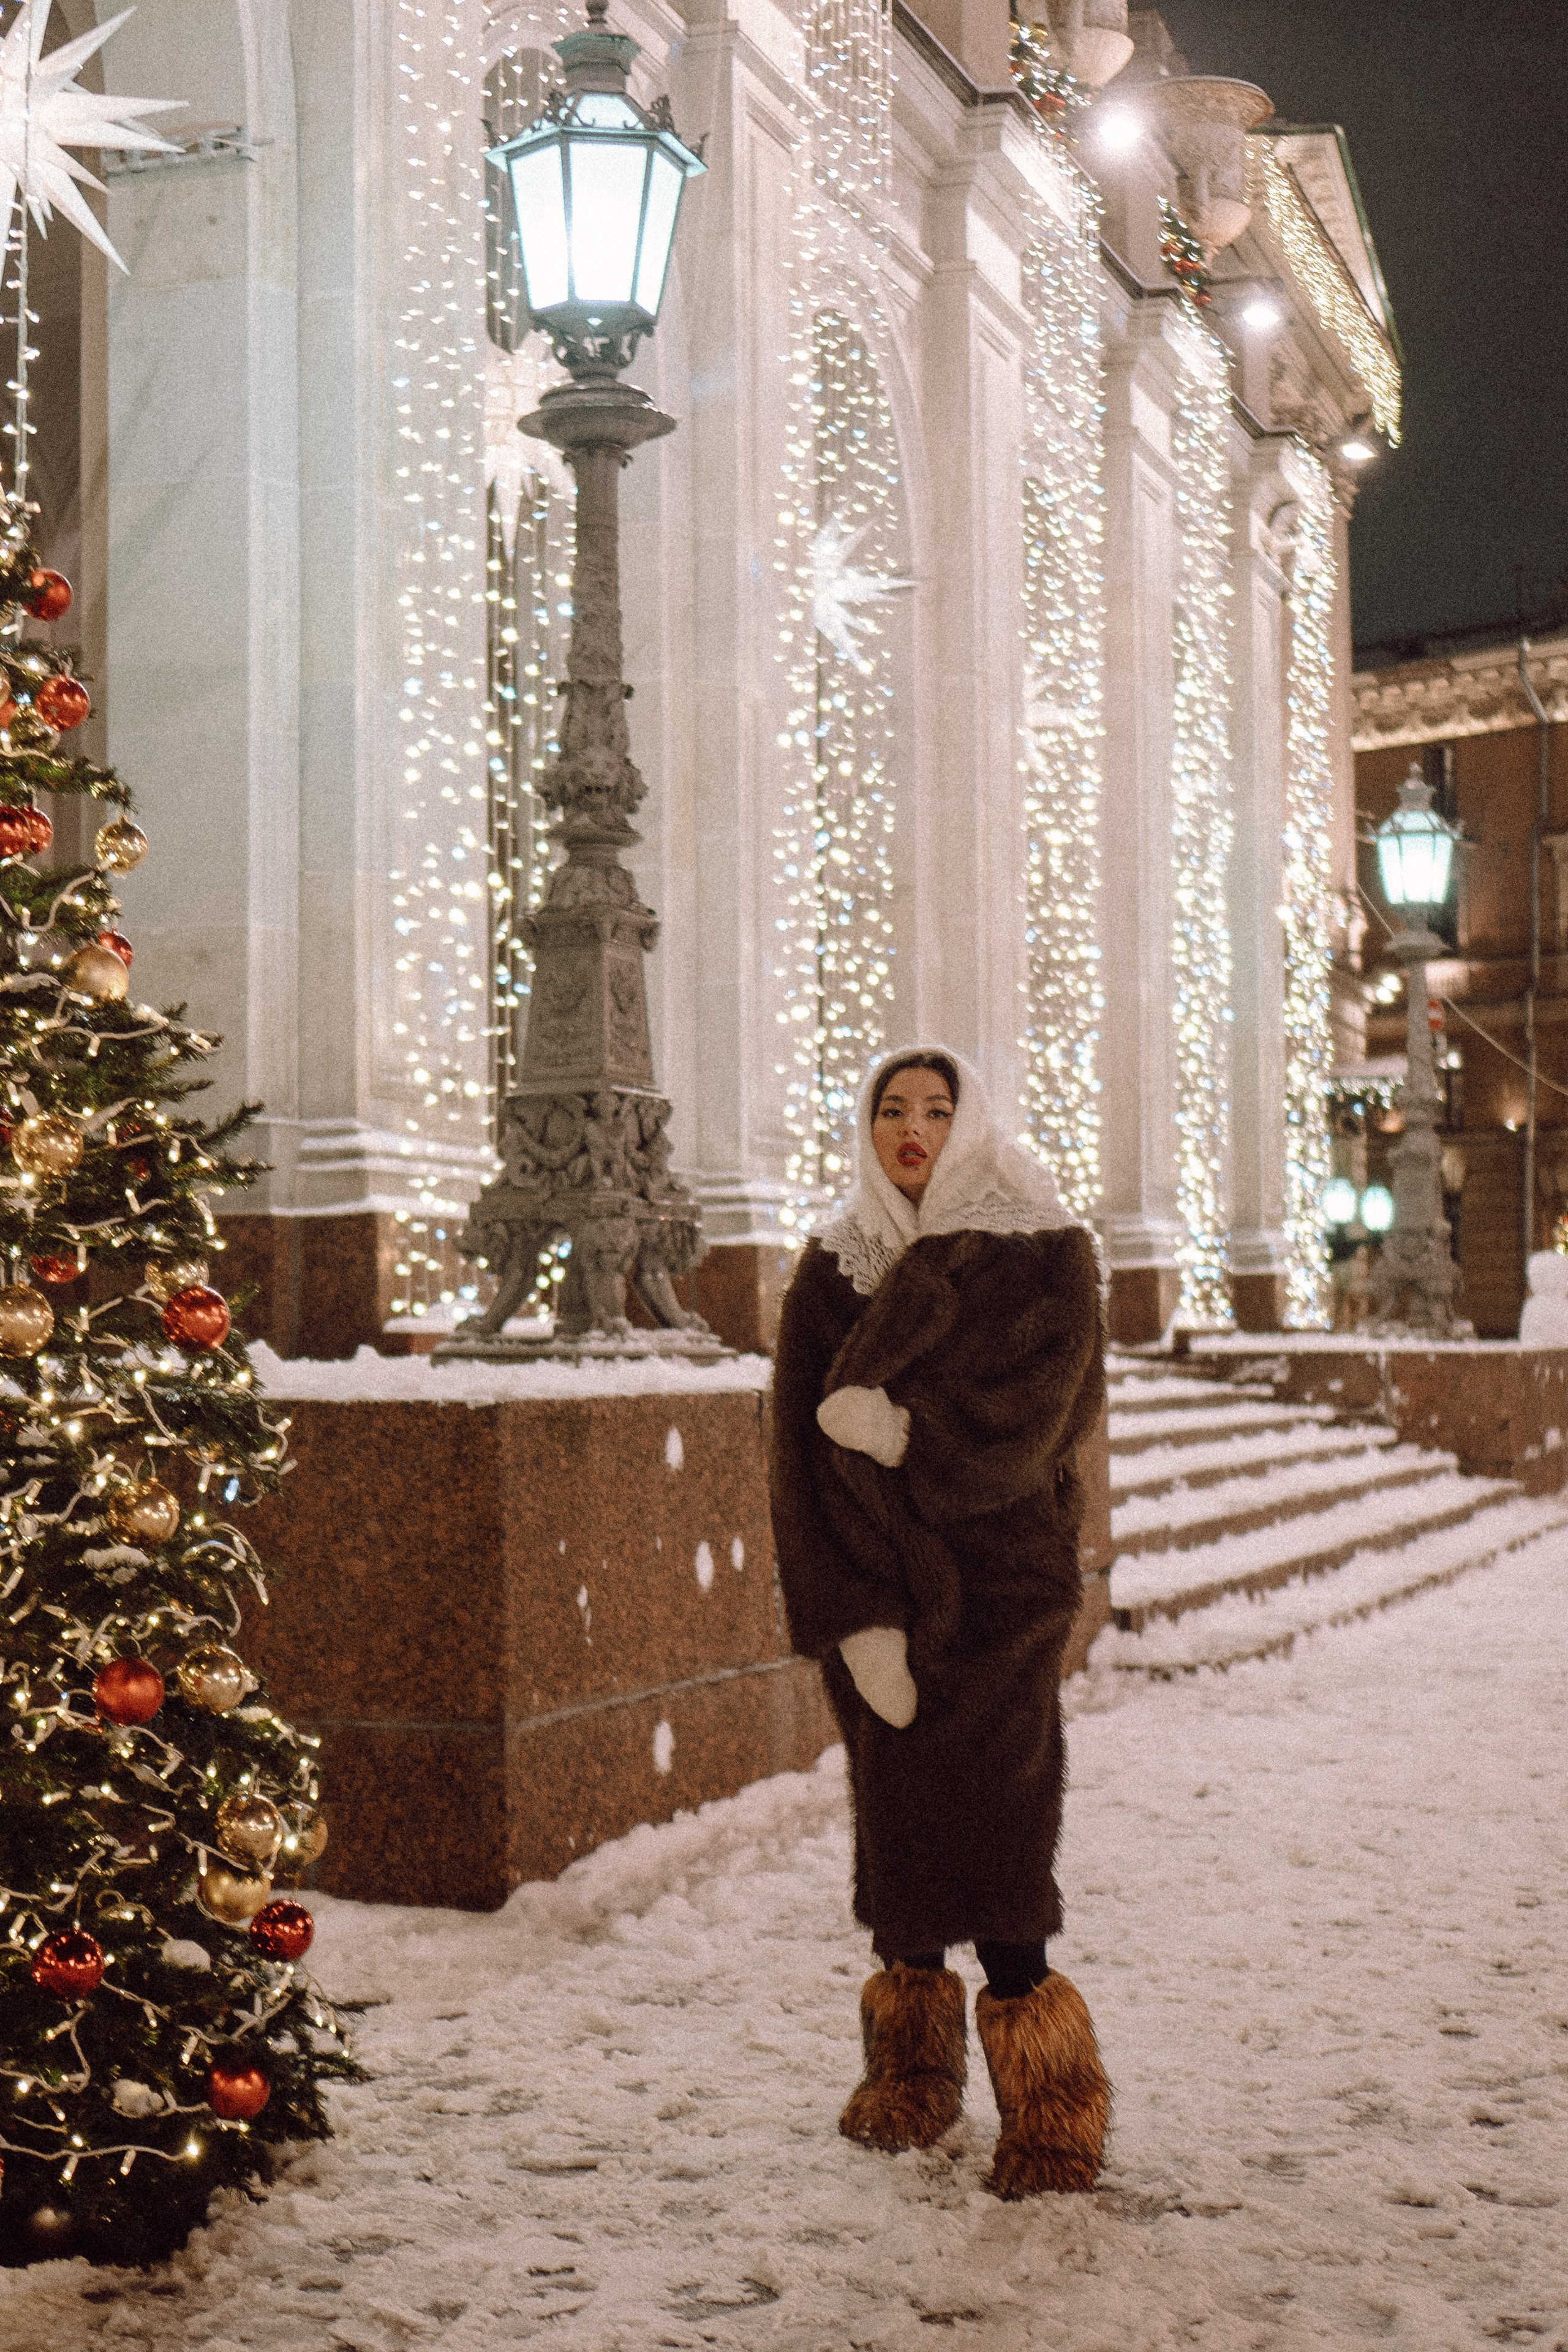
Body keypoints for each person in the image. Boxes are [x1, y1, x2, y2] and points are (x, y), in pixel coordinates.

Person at [769, 1045, 1110, 2198]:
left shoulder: (1045, 1251)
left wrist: (909, 1437)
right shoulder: (834, 1267)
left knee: (1006, 1850)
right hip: (880, 1594)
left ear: (971, 1126)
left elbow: (1045, 1418)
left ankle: (1052, 2109)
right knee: (901, 1842)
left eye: (936, 1109)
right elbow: (793, 1461)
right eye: (891, 1109)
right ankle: (911, 2077)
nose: (912, 1130)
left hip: (1003, 1594)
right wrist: (853, 1619)